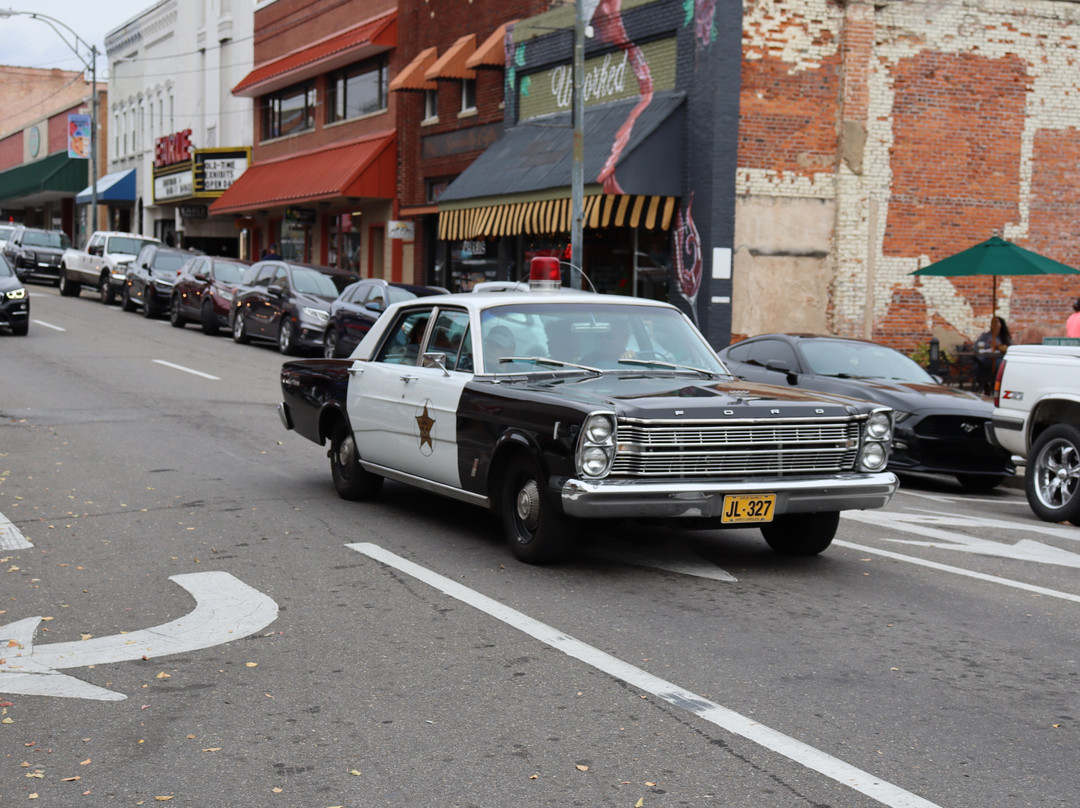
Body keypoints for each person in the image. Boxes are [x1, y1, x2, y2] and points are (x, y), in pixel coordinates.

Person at [973, 315, 1011, 395]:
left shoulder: (1005, 337)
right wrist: (988, 346)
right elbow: (976, 346)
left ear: (1001, 324)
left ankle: (995, 385)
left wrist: (999, 346)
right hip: (985, 359)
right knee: (978, 366)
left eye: (996, 322)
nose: (994, 324)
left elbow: (1010, 348)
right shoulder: (986, 336)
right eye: (992, 322)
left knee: (999, 365)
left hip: (999, 359)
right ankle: (984, 384)